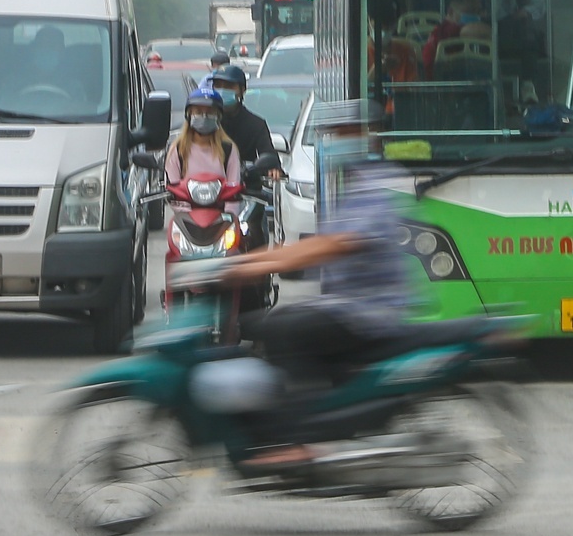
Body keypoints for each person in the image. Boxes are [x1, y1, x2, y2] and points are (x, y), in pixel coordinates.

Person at [221, 99, 413, 467]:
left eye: (344, 133)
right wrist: (248, 261)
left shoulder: (376, 183)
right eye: (331, 134)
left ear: (366, 136)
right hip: (349, 306)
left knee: (284, 328)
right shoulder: (354, 182)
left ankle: (297, 440)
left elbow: (334, 245)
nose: (334, 141)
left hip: (369, 314)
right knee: (269, 323)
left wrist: (252, 264)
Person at [210, 64, 276, 247]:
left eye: (229, 86)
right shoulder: (204, 125)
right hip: (209, 195)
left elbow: (269, 155)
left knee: (254, 235)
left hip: (247, 196)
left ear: (242, 90)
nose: (222, 90)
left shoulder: (256, 124)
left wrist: (271, 168)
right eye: (218, 85)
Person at [164, 88, 241, 188]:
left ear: (218, 117)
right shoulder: (178, 149)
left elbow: (234, 190)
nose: (204, 117)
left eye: (210, 112)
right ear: (189, 115)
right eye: (198, 112)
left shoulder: (229, 149)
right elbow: (172, 190)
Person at [421, 0, 488, 75]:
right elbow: (482, 32)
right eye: (470, 11)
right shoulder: (449, 29)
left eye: (478, 11)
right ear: (451, 12)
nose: (476, 16)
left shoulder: (441, 28)